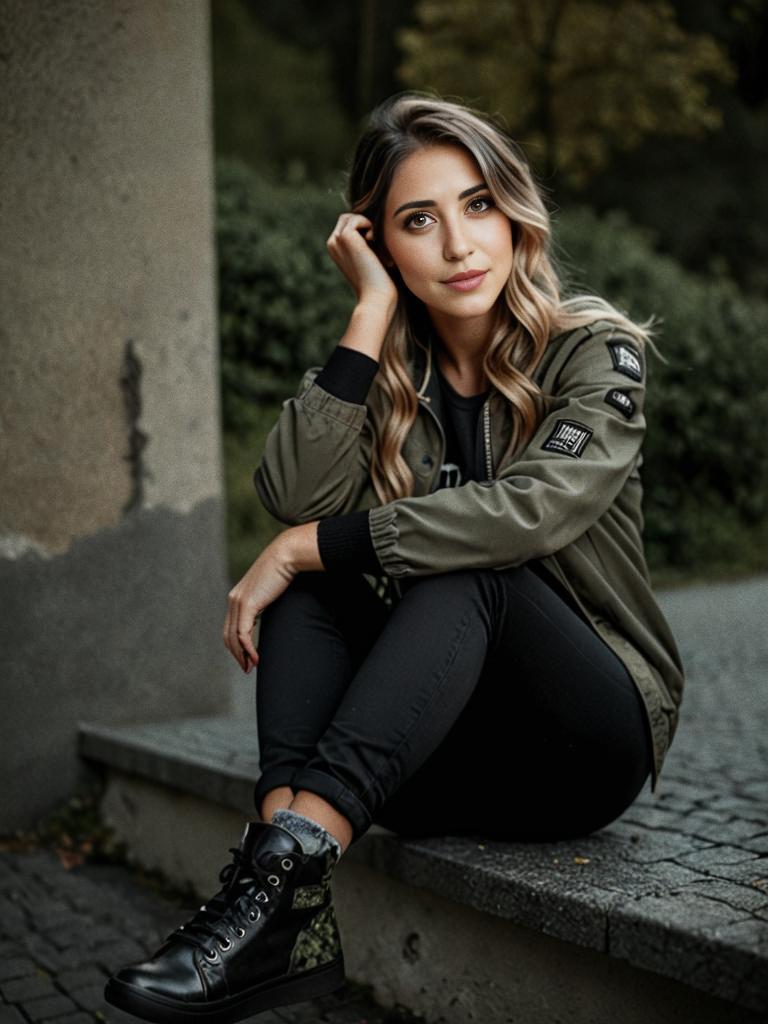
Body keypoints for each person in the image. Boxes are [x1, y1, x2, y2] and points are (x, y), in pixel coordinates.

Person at [104, 91, 685, 1024]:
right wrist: (369, 314)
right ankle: (279, 906)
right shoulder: (387, 375)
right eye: (420, 221)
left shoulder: (593, 351)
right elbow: (294, 498)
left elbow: (529, 513)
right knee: (306, 580)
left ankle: (268, 893)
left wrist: (309, 543)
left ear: (514, 213)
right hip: (432, 749)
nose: (459, 245)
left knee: (465, 565)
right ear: (377, 242)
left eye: (479, 204)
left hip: (587, 737)